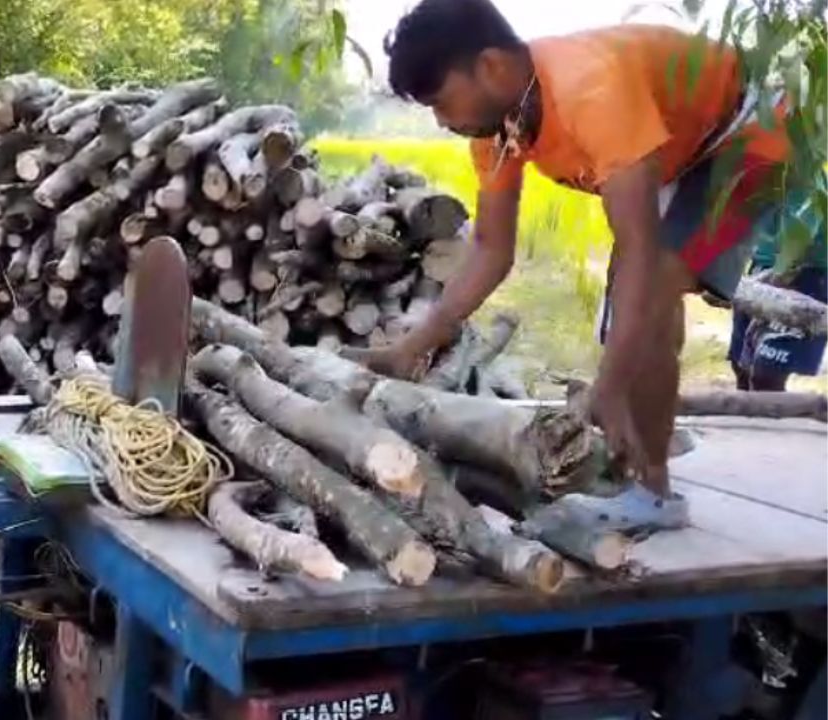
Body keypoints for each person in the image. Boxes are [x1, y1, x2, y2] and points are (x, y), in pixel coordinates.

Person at [349, 0, 791, 533]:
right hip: (684, 144)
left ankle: (652, 491)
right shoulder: (498, 130)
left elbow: (639, 251)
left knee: (647, 299)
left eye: (442, 102)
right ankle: (651, 464)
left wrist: (609, 384)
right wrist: (408, 350)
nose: (442, 122)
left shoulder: (591, 89)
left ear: (491, 66)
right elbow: (492, 250)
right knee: (634, 321)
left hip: (750, 133)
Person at [728, 196, 827, 391]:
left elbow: (801, 237)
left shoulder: (807, 173)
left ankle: (768, 419)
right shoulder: (761, 174)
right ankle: (747, 421)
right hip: (760, 267)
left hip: (802, 273)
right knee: (741, 368)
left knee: (767, 373)